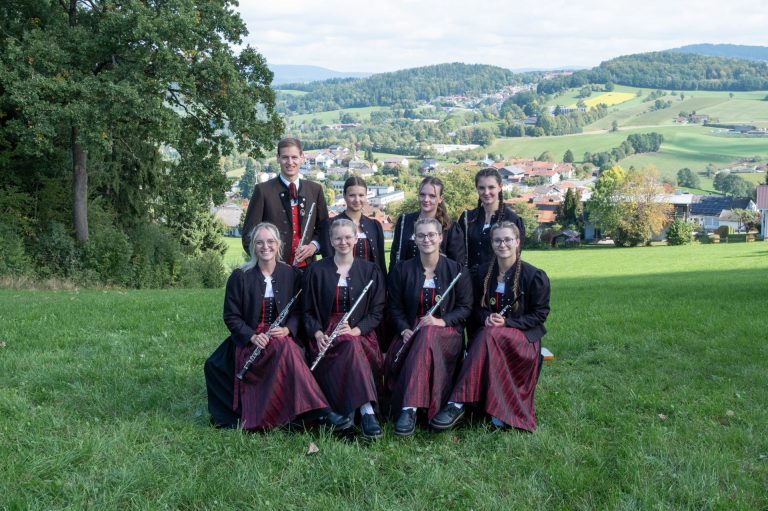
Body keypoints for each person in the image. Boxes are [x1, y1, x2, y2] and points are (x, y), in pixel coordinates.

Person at [204, 222, 352, 431]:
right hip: (252, 342)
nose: (266, 247)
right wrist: (252, 336)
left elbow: (300, 310)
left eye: (270, 241)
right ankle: (321, 412)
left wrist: (288, 329)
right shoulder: (240, 276)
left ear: (279, 244)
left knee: (286, 346)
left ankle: (318, 411)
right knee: (286, 349)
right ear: (253, 246)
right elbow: (231, 316)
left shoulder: (291, 274)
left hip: (280, 335)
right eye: (260, 242)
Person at [429, 222, 550, 433]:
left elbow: (540, 315)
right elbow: (473, 307)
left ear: (517, 242)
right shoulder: (481, 274)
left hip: (522, 341)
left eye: (507, 240)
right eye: (497, 240)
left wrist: (508, 323)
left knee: (488, 336)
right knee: (488, 334)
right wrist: (486, 317)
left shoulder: (534, 276)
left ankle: (457, 403)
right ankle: (494, 413)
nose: (502, 244)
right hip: (491, 338)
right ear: (491, 243)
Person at [384, 217, 472, 437]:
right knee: (424, 334)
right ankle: (415, 406)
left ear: (440, 237)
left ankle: (409, 408)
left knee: (429, 332)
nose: (427, 239)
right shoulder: (402, 270)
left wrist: (441, 321)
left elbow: (465, 307)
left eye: (432, 234)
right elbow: (393, 307)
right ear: (414, 238)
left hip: (447, 333)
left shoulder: (457, 270)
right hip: (411, 332)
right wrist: (404, 328)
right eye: (421, 235)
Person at [304, 218, 386, 440]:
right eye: (338, 238)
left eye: (348, 237)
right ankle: (366, 411)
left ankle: (351, 412)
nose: (343, 242)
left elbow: (377, 313)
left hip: (361, 333)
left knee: (350, 343)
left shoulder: (371, 270)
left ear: (356, 238)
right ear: (330, 240)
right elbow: (307, 312)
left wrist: (357, 331)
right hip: (325, 335)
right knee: (348, 345)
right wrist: (318, 333)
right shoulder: (316, 270)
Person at [241, 137, 328, 269]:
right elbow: (249, 235)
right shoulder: (263, 191)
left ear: (302, 157)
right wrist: (266, 262)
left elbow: (325, 229)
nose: (290, 162)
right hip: (273, 270)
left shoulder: (315, 190)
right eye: (285, 157)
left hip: (307, 270)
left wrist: (313, 246)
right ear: (278, 158)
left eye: (294, 157)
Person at [389, 176, 465, 273]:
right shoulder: (404, 221)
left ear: (440, 199)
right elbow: (395, 256)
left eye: (432, 196)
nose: (426, 199)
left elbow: (457, 265)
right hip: (405, 282)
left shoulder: (451, 228)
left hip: (438, 283)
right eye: (422, 194)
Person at [457, 167, 526, 273]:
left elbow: (514, 257)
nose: (486, 192)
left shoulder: (512, 220)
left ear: (500, 187)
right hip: (469, 282)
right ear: (477, 188)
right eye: (481, 188)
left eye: (491, 187)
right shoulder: (467, 218)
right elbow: (458, 253)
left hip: (497, 281)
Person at [320, 176, 387, 277]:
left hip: (371, 284)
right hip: (340, 283)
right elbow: (328, 260)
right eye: (352, 195)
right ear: (344, 196)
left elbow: (380, 262)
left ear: (366, 196)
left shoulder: (374, 225)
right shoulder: (330, 224)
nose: (357, 200)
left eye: (361, 195)